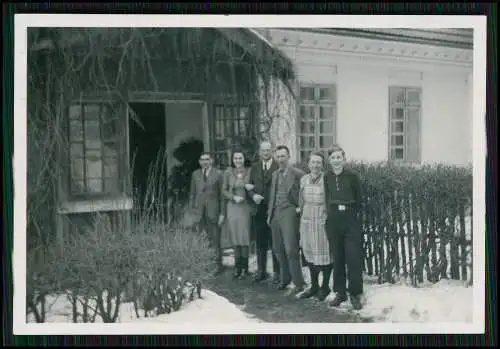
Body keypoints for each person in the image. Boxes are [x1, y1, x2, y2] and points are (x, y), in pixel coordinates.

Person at [323, 145, 364, 310]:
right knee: (338, 258)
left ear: (344, 159)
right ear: (329, 160)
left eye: (339, 157)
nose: (336, 160)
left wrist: (354, 217)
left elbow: (359, 199)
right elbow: (327, 197)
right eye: (333, 158)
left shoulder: (353, 176)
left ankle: (354, 293)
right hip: (334, 219)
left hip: (350, 219)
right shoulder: (327, 177)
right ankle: (340, 292)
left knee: (353, 258)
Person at [267, 145, 307, 293]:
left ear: (288, 157)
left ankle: (299, 282)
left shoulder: (298, 174)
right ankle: (285, 279)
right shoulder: (275, 174)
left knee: (291, 248)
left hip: (289, 211)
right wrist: (269, 215)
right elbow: (272, 195)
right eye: (278, 156)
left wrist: (299, 208)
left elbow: (305, 193)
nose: (280, 159)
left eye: (283, 156)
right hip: (275, 213)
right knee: (278, 249)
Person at [297, 151, 333, 301]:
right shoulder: (304, 179)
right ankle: (313, 286)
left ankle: (325, 286)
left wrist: (327, 216)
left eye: (318, 162)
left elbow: (330, 200)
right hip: (307, 218)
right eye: (313, 162)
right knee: (310, 252)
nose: (315, 165)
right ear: (308, 164)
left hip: (321, 219)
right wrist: (301, 214)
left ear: (322, 164)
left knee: (324, 253)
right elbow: (301, 200)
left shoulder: (327, 179)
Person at [246, 141, 281, 285]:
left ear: (272, 151)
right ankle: (261, 271)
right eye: (263, 151)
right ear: (259, 152)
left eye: (268, 150)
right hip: (259, 210)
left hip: (274, 209)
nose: (265, 153)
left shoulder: (278, 166)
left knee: (274, 242)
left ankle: (277, 273)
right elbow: (249, 186)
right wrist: (253, 195)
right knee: (260, 241)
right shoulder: (254, 167)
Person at [188, 152, 225, 275]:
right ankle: (205, 265)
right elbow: (192, 194)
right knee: (202, 239)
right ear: (199, 162)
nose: (204, 162)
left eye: (207, 159)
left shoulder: (218, 174)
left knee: (215, 239)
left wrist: (222, 213)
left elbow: (222, 196)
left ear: (211, 161)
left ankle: (217, 266)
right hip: (199, 213)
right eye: (202, 159)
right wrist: (193, 211)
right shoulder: (195, 174)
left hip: (213, 212)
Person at [222, 149, 253, 280]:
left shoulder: (249, 171)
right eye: (236, 158)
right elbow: (223, 190)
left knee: (244, 237)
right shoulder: (228, 172)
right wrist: (233, 197)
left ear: (244, 159)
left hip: (245, 207)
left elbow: (252, 186)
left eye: (240, 158)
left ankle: (245, 268)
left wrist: (246, 186)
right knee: (235, 236)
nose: (238, 160)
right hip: (233, 207)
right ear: (232, 160)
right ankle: (237, 267)